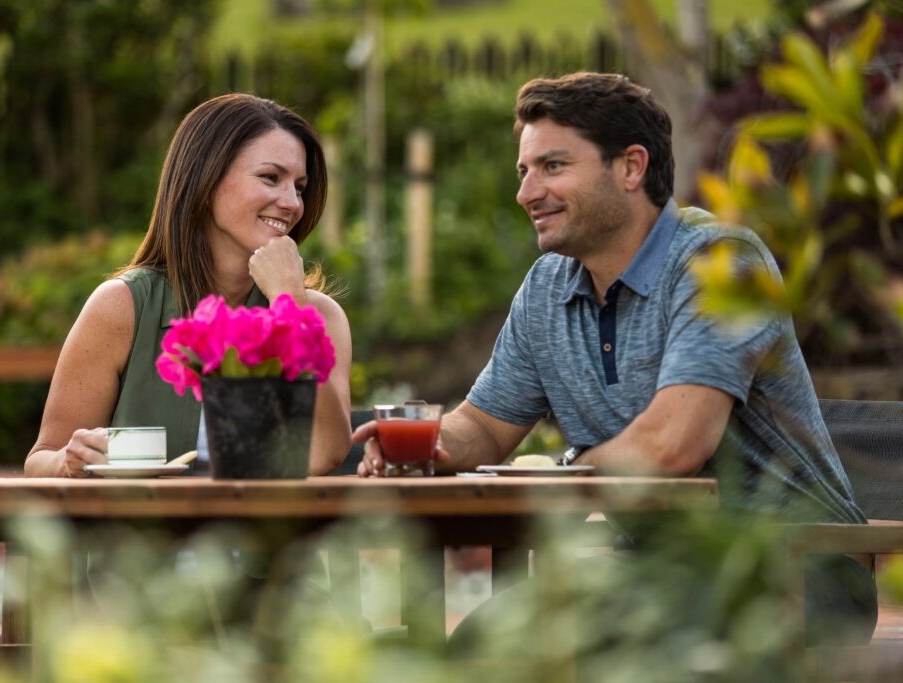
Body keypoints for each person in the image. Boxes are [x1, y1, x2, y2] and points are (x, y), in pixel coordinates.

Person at [354, 72, 876, 646]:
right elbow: (483, 426)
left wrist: (564, 470)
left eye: (553, 166)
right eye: (524, 171)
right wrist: (429, 443)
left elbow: (672, 444)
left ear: (631, 167)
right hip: (653, 572)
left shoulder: (721, 263)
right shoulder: (548, 287)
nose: (527, 192)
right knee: (482, 643)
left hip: (790, 569)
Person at [25, 93, 352, 478]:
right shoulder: (122, 308)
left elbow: (326, 452)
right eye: (270, 178)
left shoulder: (318, 316)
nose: (292, 203)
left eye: (299, 186)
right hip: (142, 537)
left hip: (265, 537)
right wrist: (70, 460)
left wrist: (289, 306)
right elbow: (41, 458)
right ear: (206, 178)